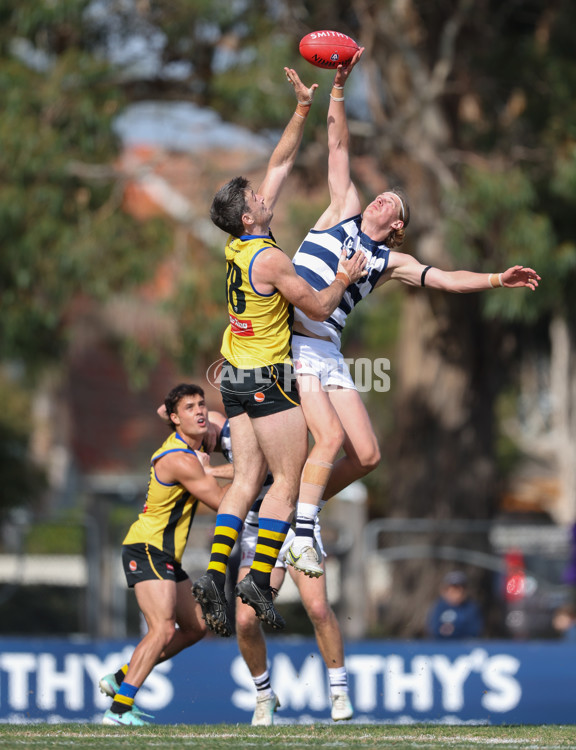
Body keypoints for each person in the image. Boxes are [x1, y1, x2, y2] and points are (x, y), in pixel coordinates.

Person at [284, 50, 542, 574]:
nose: (381, 200)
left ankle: (293, 505)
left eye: (392, 204)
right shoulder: (342, 210)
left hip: (326, 347)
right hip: (295, 337)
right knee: (330, 439)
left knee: (368, 455)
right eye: (382, 196)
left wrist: (497, 277)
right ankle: (300, 529)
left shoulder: (389, 260)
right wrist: (338, 88)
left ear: (399, 225)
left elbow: (445, 279)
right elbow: (337, 144)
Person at [192, 65, 367, 638]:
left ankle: (217, 578)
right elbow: (316, 309)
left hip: (233, 381)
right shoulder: (270, 259)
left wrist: (300, 109)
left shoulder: (236, 247)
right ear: (250, 216)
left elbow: (280, 164)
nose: (265, 196)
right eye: (256, 199)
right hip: (266, 379)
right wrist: (341, 279)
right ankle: (258, 577)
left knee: (244, 482)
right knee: (287, 482)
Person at [206, 410, 353, 725]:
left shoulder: (251, 420)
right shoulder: (209, 437)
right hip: (255, 534)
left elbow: (255, 471)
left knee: (317, 608)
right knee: (245, 620)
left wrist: (210, 470)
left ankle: (338, 690)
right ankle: (264, 695)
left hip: (292, 527)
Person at [100, 383, 230, 727]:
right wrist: (262, 479)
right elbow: (221, 503)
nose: (200, 411)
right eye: (189, 408)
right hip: (147, 547)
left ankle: (121, 677)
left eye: (202, 404)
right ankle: (118, 710)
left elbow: (164, 411)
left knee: (195, 627)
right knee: (162, 629)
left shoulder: (191, 443)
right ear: (175, 419)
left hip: (165, 555)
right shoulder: (179, 460)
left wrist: (196, 428)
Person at [425, 570, 483, 639]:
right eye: (452, 589)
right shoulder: (439, 606)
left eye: (459, 589)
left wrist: (454, 630)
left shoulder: (471, 607)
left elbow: (474, 630)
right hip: (441, 646)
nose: (456, 593)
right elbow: (434, 629)